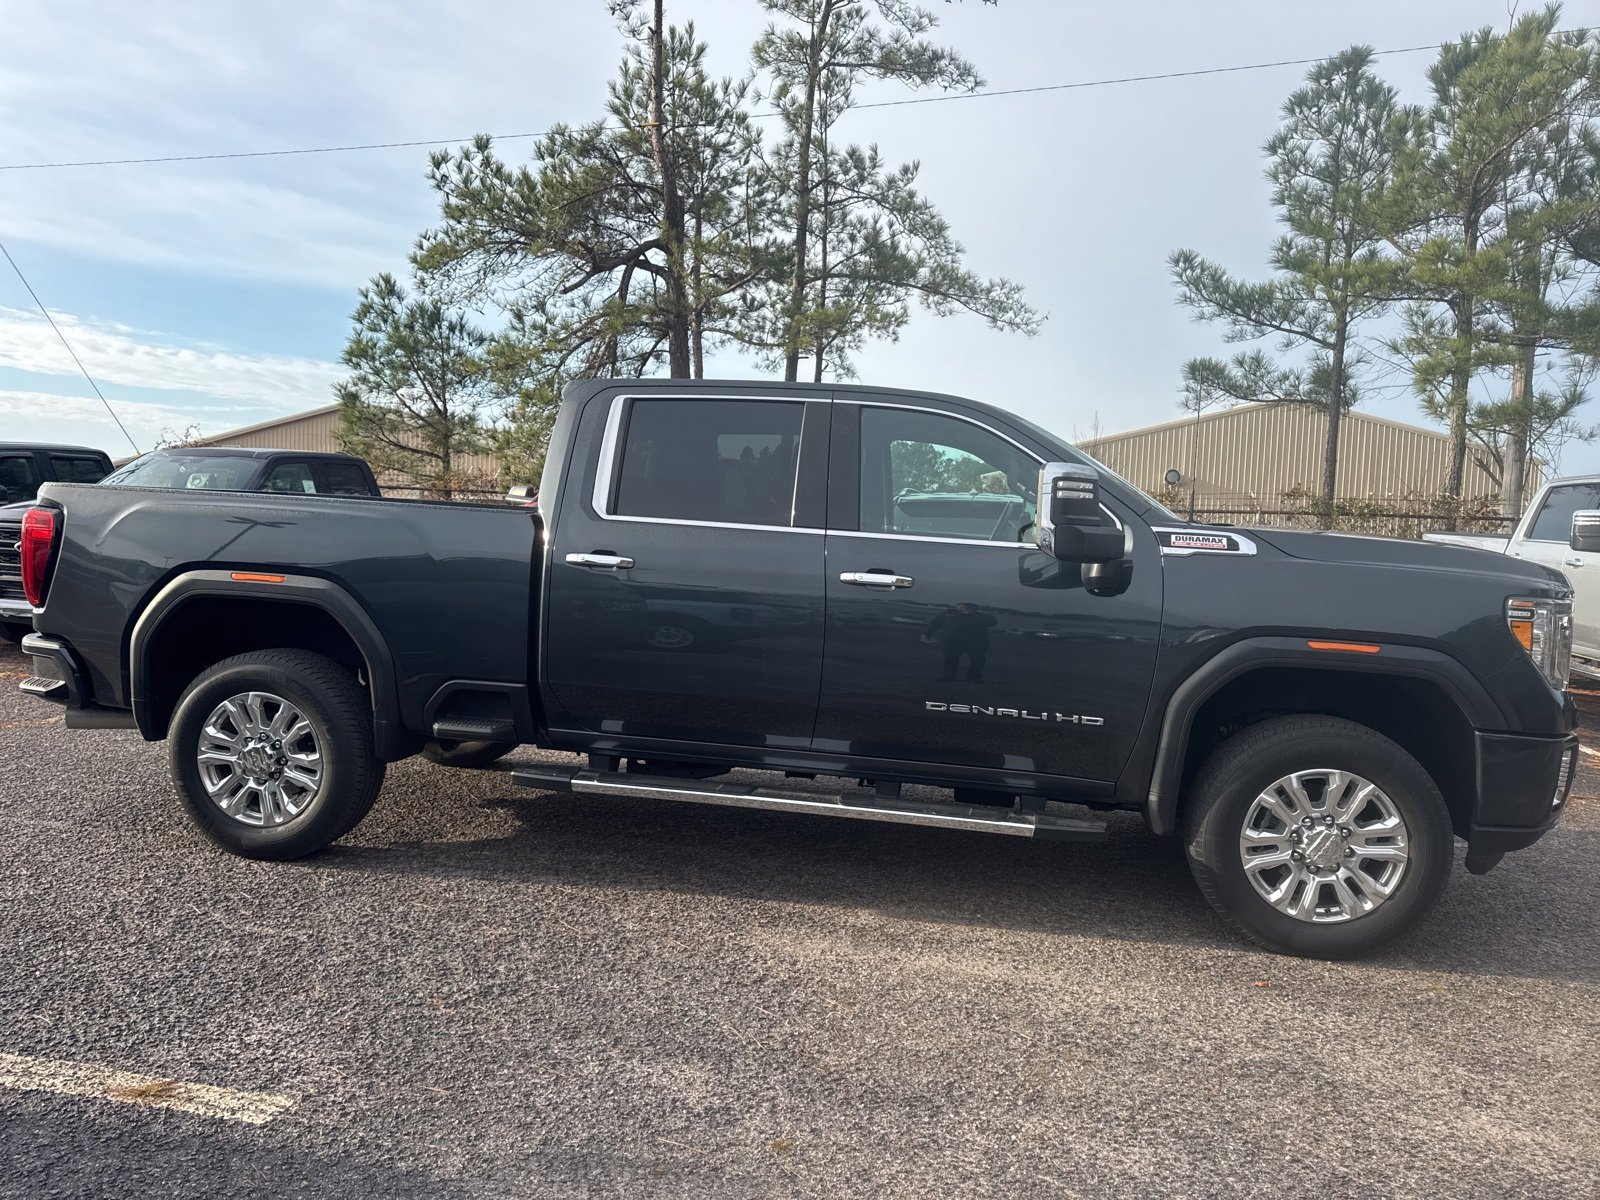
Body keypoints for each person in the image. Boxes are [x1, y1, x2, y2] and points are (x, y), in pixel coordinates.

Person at [923, 602, 997, 682]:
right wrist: (927, 634)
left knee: (977, 659)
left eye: (967, 607)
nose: (963, 608)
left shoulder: (981, 616)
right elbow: (934, 624)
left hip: (976, 641)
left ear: (974, 608)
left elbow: (993, 622)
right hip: (952, 640)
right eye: (961, 606)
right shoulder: (947, 614)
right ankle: (948, 676)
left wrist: (974, 614)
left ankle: (974, 678)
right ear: (957, 607)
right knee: (950, 658)